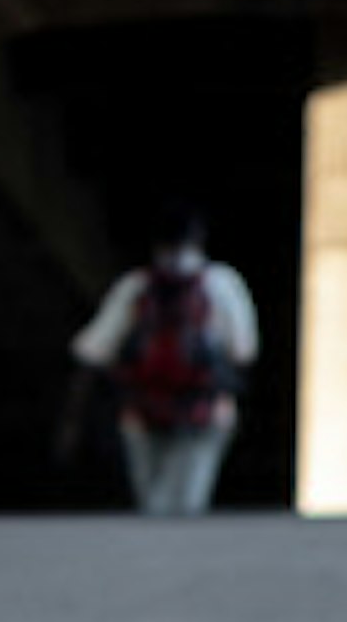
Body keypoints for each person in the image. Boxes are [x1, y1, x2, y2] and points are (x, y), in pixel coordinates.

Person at [71, 216, 256, 515]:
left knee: (152, 501)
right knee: (188, 500)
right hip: (204, 409)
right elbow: (243, 349)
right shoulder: (221, 283)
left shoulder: (136, 286)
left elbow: (94, 349)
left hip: (143, 408)